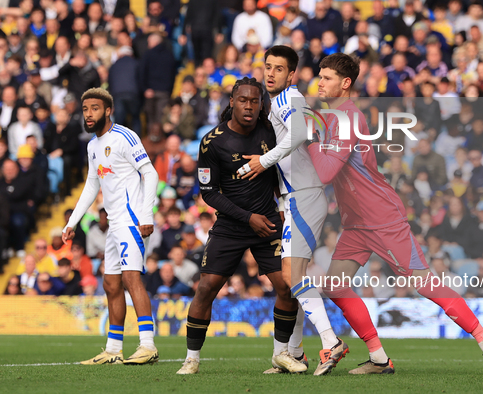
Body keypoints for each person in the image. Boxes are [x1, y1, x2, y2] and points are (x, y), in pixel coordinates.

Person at [306, 53, 483, 376]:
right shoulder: (332, 118)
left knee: (424, 283)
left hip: (382, 218)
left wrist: (307, 141)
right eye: (320, 75)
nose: (319, 81)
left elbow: (326, 172)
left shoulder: (348, 118)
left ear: (345, 84)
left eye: (327, 77)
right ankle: (378, 358)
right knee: (336, 284)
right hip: (357, 222)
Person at [176, 78, 303, 375]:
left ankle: (280, 354)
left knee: (286, 287)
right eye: (243, 100)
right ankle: (191, 358)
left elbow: (280, 170)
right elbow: (208, 193)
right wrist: (247, 218)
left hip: (268, 222)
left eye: (255, 101)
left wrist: (280, 207)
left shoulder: (270, 131)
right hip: (232, 226)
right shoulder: (212, 142)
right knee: (206, 288)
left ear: (261, 105)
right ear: (232, 101)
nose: (249, 105)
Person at [236, 45, 346, 375]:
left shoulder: (289, 99)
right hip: (295, 196)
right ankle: (294, 353)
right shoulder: (283, 102)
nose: (270, 73)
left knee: (291, 276)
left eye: (279, 69)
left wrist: (263, 161)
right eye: (267, 67)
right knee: (291, 281)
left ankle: (331, 342)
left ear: (292, 75)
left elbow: (299, 134)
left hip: (305, 194)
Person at [62, 88, 159, 365]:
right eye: (85, 109)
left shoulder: (125, 137)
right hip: (113, 224)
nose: (88, 114)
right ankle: (113, 350)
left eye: (94, 108)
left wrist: (146, 214)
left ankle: (148, 345)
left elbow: (149, 173)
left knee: (131, 279)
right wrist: (72, 222)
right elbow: (92, 184)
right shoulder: (92, 146)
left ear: (107, 111)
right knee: (110, 283)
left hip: (131, 221)